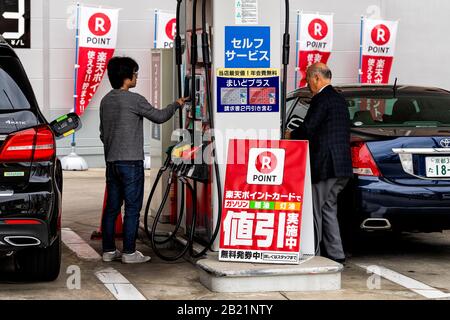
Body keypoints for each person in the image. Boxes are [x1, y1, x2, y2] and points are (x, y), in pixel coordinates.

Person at [99, 56, 187, 264]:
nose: (137, 76)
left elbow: (103, 134)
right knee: (132, 208)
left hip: (112, 162)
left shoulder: (106, 101)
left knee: (112, 209)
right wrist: (176, 104)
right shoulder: (134, 99)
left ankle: (109, 251)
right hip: (131, 162)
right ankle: (129, 253)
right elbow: (159, 116)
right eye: (135, 73)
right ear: (127, 77)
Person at [290, 63, 352, 263]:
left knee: (315, 209)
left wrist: (290, 135)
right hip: (341, 166)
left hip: (326, 165)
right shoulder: (339, 99)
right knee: (328, 208)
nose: (308, 83)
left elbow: (308, 128)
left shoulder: (321, 99)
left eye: (308, 79)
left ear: (316, 78)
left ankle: (313, 253)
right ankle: (336, 253)